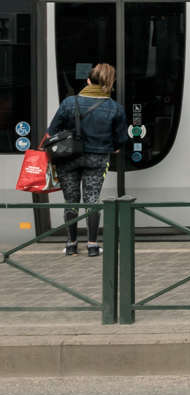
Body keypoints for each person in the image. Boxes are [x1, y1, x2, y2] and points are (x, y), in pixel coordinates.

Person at [45, 62, 128, 257]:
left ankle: (72, 244)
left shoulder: (68, 103)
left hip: (68, 158)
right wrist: (113, 147)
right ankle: (92, 245)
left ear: (88, 80)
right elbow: (121, 139)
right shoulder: (115, 108)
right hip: (97, 159)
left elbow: (51, 132)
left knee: (70, 201)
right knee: (92, 200)